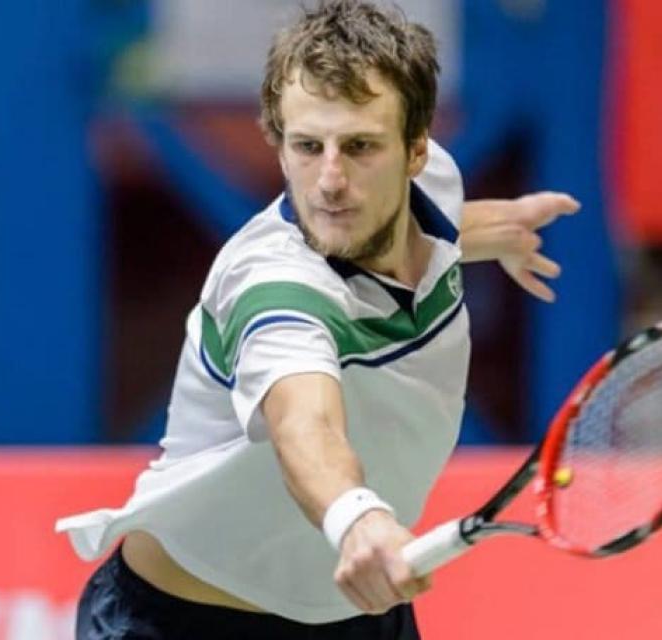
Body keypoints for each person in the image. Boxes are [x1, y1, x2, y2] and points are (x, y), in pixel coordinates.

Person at [57, 1, 579, 638]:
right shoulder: (275, 289)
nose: (330, 180)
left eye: (360, 147)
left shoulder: (431, 188)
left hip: (356, 611)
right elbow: (306, 423)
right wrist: (356, 517)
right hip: (185, 621)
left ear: (416, 150)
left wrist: (493, 228)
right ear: (280, 148)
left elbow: (415, 227)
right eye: (307, 147)